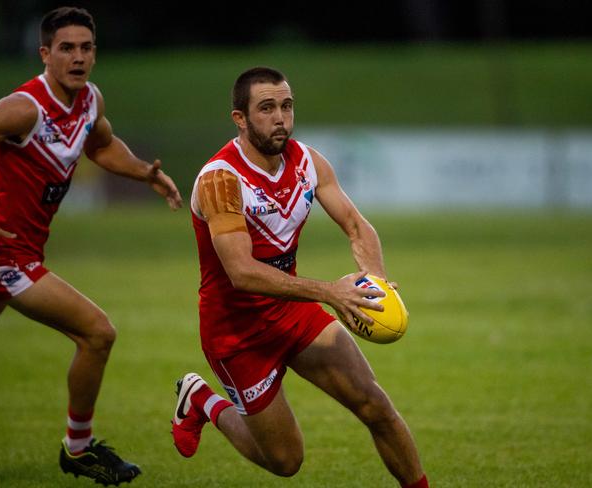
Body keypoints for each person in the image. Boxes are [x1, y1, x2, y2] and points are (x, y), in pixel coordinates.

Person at [0, 7, 182, 486]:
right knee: (98, 333)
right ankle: (78, 450)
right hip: (5, 252)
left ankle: (77, 449)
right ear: (45, 55)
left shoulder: (90, 100)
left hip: (16, 253)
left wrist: (144, 172)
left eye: (86, 47)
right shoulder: (23, 109)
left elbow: (99, 145)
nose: (78, 57)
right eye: (67, 48)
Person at [171, 67, 428, 488]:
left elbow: (357, 225)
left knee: (375, 405)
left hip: (292, 312)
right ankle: (202, 399)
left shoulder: (309, 162)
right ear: (240, 118)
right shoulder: (220, 179)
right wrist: (330, 292)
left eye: (286, 106)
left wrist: (375, 280)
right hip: (236, 333)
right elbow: (242, 272)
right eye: (267, 108)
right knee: (286, 461)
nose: (280, 118)